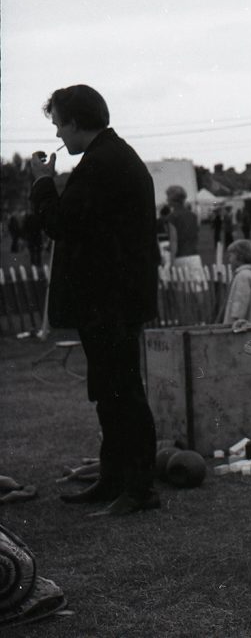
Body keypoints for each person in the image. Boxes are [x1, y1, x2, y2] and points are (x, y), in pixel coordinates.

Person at [29, 84, 161, 516]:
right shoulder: (109, 156)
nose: (57, 137)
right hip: (113, 299)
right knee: (111, 392)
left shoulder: (103, 163)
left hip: (110, 301)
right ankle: (114, 480)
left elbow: (62, 224)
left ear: (75, 121)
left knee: (122, 392)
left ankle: (139, 490)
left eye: (59, 125)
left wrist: (42, 186)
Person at [165, 185, 205, 288]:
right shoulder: (193, 216)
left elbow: (174, 242)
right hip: (194, 256)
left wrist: (171, 264)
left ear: (172, 199)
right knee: (197, 289)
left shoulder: (172, 217)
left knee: (182, 292)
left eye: (167, 196)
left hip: (181, 257)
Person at [222, 239, 251, 329]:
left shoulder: (243, 276)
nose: (229, 260)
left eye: (231, 256)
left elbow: (240, 301)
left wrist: (235, 320)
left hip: (240, 327)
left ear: (240, 257)